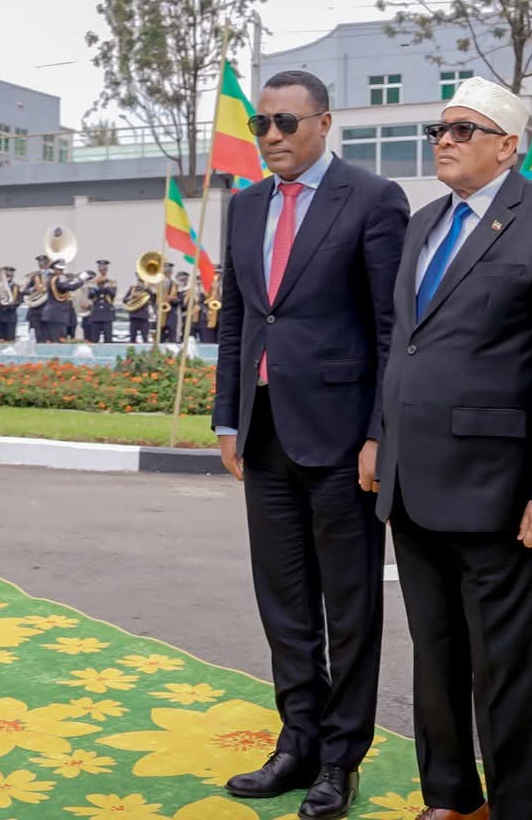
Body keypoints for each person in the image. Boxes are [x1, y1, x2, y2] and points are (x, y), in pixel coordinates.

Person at [373, 77, 532, 820]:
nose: (445, 141)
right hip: (411, 480)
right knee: (435, 659)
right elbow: (402, 343)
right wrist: (381, 435)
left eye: (465, 130)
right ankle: (449, 798)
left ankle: (514, 809)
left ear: (509, 146)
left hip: (500, 489)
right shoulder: (425, 221)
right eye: (440, 130)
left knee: (507, 668)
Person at [212, 69, 409, 820]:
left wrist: (377, 434)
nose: (271, 137)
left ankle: (340, 758)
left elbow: (392, 330)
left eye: (286, 123)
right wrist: (228, 417)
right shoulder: (246, 205)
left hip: (339, 441)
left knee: (349, 606)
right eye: (263, 123)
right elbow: (238, 318)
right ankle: (296, 741)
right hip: (264, 437)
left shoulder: (372, 199)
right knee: (285, 603)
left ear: (325, 124)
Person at [84, 259, 117, 343]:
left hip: (107, 315)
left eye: (104, 269)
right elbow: (90, 295)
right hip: (96, 315)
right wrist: (98, 285)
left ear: (107, 270)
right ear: (99, 269)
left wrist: (105, 285)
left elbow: (112, 294)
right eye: (101, 269)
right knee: (94, 340)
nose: (103, 270)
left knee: (108, 340)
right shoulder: (93, 282)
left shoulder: (111, 282)